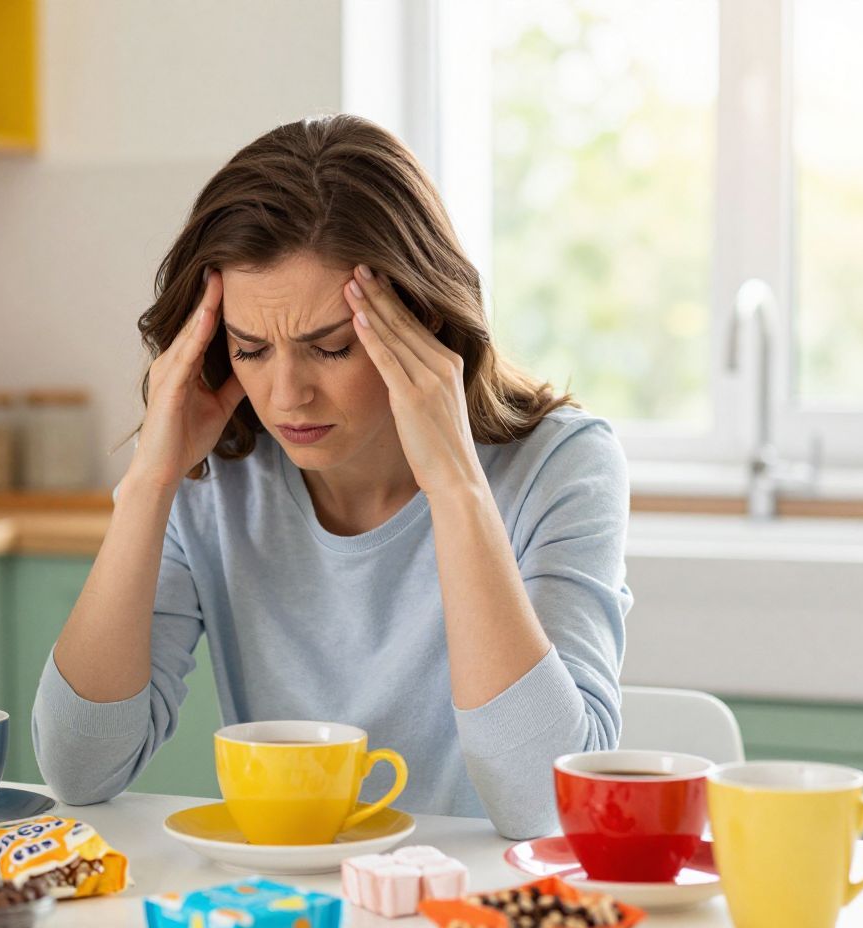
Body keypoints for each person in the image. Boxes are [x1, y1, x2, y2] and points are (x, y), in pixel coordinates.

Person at [31, 114, 630, 838]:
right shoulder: (218, 474)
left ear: (424, 323)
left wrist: (458, 490)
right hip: (289, 912)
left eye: (333, 348)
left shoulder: (561, 465)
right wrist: (151, 483)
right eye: (250, 348)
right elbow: (78, 769)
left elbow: (547, 805)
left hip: (483, 918)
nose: (286, 395)